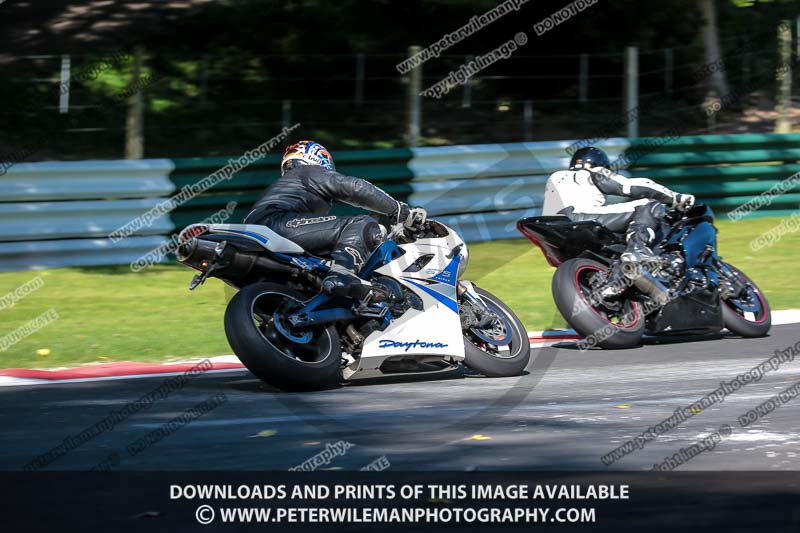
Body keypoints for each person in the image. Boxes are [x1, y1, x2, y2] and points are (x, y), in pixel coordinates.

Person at [244, 140, 426, 297]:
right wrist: (399, 210)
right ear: (318, 157)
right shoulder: (308, 172)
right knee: (362, 223)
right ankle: (343, 274)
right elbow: (354, 187)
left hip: (258, 238)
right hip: (276, 223)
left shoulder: (290, 183)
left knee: (319, 270)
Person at [543, 146, 695, 264]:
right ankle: (637, 249)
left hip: (552, 229)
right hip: (580, 218)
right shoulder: (592, 173)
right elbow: (633, 186)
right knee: (649, 205)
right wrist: (676, 198)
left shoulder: (555, 177)